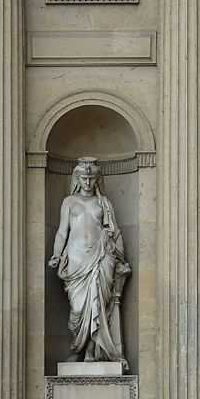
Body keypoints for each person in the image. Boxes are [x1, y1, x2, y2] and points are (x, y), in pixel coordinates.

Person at [49, 157, 130, 369]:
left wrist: (120, 257)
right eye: (84, 177)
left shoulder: (104, 203)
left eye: (91, 178)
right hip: (76, 259)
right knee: (77, 309)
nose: (87, 182)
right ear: (77, 178)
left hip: (101, 257)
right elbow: (61, 231)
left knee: (98, 305)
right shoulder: (69, 202)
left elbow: (115, 231)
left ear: (97, 179)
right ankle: (78, 349)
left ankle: (92, 353)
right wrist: (57, 254)